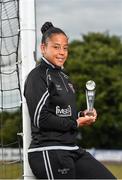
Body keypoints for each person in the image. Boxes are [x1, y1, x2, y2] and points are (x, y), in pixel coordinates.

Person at [24, 21, 116, 179]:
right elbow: (41, 118)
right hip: (48, 150)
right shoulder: (37, 76)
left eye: (65, 48)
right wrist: (76, 123)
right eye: (56, 47)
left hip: (71, 148)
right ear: (43, 48)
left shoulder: (64, 77)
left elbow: (64, 113)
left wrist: (82, 114)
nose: (62, 52)